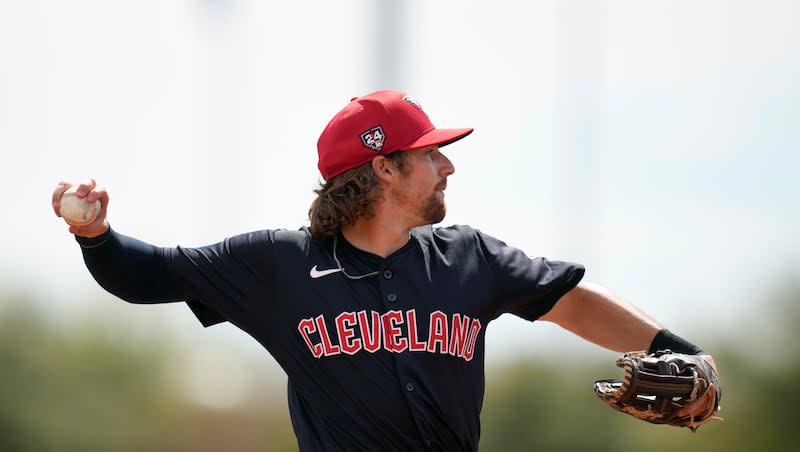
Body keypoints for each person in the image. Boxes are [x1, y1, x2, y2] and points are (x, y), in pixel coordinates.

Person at [52, 90, 714, 451]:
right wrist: (96, 235)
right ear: (384, 168)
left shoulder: (470, 258)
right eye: (430, 155)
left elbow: (569, 300)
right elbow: (148, 277)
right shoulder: (282, 264)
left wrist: (679, 352)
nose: (447, 167)